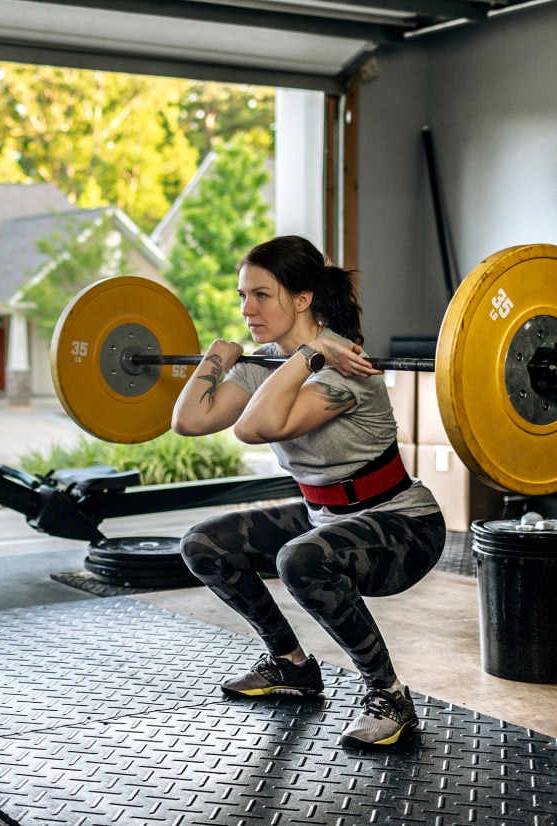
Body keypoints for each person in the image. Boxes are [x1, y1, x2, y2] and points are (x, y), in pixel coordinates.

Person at [172, 235, 445, 749]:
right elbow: (189, 420)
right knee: (201, 545)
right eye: (242, 296)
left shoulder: (346, 370)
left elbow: (255, 428)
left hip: (404, 528)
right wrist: (215, 357)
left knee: (299, 560)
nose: (247, 309)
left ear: (302, 298)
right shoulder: (264, 365)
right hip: (327, 517)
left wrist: (313, 354)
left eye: (261, 295)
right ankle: (291, 665)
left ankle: (389, 696)